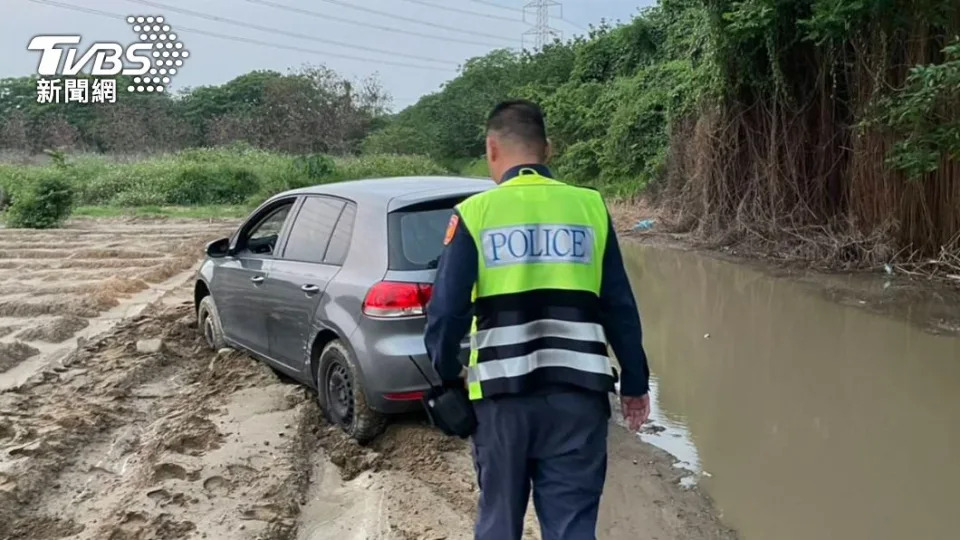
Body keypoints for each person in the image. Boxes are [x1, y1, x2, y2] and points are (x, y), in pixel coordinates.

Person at [424, 99, 652, 540]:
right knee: (571, 528)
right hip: (578, 399)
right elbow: (619, 306)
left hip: (501, 401)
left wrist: (447, 378)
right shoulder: (590, 208)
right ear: (548, 148)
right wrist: (635, 384)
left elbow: (447, 312)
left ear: (492, 149)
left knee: (498, 524)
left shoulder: (475, 214)